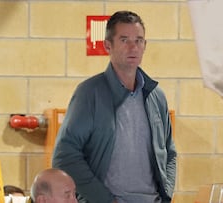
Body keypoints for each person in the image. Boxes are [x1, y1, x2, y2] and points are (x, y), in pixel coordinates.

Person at [52, 10, 176, 203]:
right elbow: (65, 156)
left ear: (145, 45)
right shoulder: (89, 93)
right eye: (124, 40)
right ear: (107, 45)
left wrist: (166, 194)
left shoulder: (155, 96)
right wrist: (104, 199)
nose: (133, 47)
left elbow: (169, 152)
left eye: (139, 40)